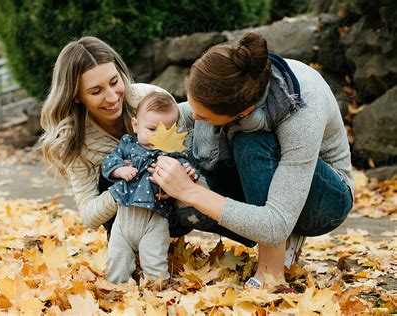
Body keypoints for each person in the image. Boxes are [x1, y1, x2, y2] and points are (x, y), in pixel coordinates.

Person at [151, 32, 354, 288]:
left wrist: (191, 191)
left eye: (205, 117)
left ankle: (270, 273)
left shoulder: (300, 107)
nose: (197, 120)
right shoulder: (236, 84)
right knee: (190, 205)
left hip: (325, 202)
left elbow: (275, 226)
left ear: (244, 111)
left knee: (249, 142)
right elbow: (175, 115)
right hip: (271, 181)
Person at [39, 36, 254, 263]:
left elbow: (181, 143)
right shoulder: (76, 142)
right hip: (129, 216)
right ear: (77, 96)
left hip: (172, 203)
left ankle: (257, 227)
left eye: (114, 82)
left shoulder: (146, 98)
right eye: (96, 91)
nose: (112, 97)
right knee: (107, 175)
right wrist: (126, 187)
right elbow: (89, 215)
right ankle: (130, 251)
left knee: (208, 166)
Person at [102, 91, 197, 284]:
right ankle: (116, 288)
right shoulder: (128, 145)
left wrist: (189, 173)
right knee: (117, 258)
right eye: (152, 129)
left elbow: (184, 172)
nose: (158, 137)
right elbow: (108, 161)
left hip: (154, 219)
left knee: (154, 261)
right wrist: (119, 170)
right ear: (136, 125)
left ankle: (158, 289)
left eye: (167, 130)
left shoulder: (174, 153)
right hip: (124, 218)